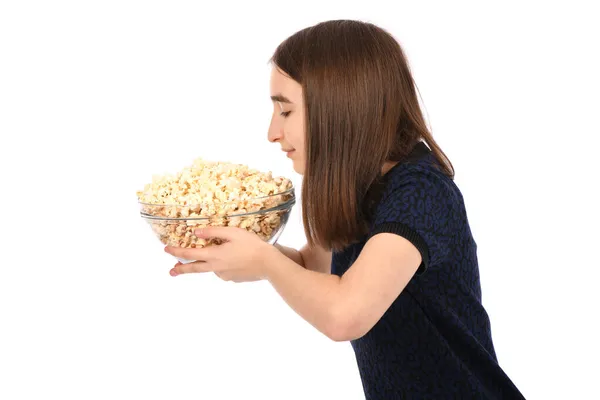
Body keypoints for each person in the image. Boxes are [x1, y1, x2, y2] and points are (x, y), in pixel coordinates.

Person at [165, 19, 525, 399]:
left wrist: (265, 263)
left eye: (285, 112)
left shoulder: (421, 192)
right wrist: (246, 252)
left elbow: (344, 313)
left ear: (340, 109)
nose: (272, 132)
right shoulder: (362, 187)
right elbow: (313, 267)